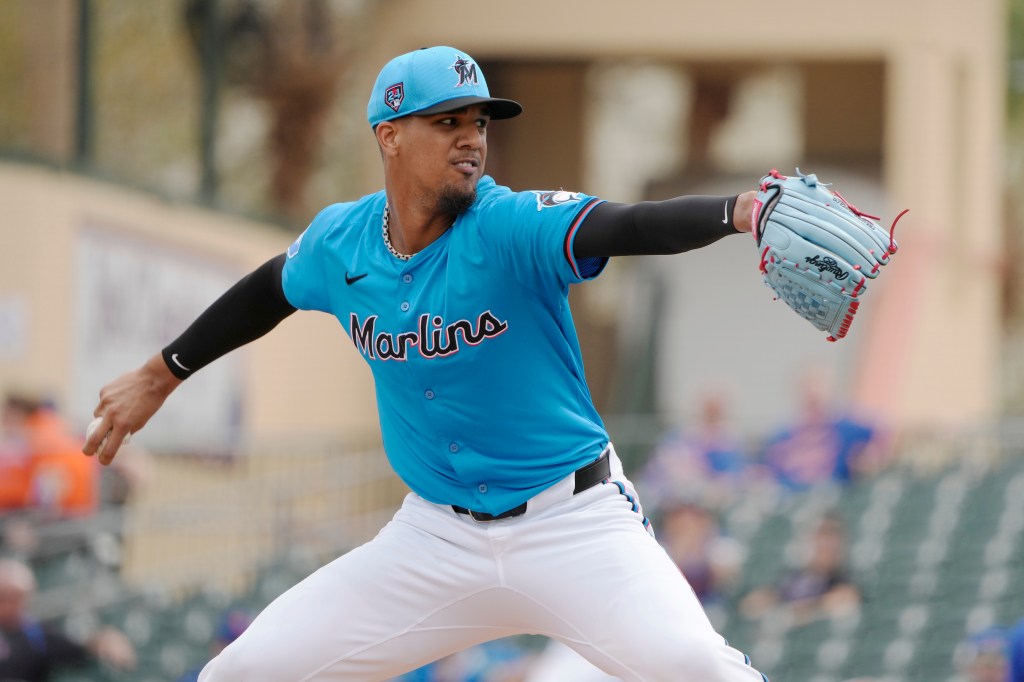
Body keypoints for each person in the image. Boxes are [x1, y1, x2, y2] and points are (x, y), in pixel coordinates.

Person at [84, 45, 769, 681]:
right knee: (241, 673)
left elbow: (625, 224)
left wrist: (737, 211)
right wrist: (161, 373)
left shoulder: (507, 226)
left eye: (479, 122)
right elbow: (269, 290)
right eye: (447, 121)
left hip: (573, 524)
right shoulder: (341, 242)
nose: (471, 138)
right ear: (389, 135)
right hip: (436, 538)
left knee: (701, 669)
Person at [0, 557, 136, 681]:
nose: (14, 603)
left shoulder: (36, 633)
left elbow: (78, 649)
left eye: (19, 597)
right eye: (6, 596)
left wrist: (103, 640)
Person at [758, 368, 889, 492]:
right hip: (791, 500)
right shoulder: (783, 436)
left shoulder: (846, 428)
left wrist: (869, 459)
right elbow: (771, 472)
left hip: (833, 497)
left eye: (818, 399)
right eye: (809, 398)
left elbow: (882, 430)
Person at [739, 512, 861, 627]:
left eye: (831, 535)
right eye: (820, 534)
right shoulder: (795, 577)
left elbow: (841, 601)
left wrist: (795, 613)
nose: (824, 543)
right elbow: (754, 604)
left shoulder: (843, 578)